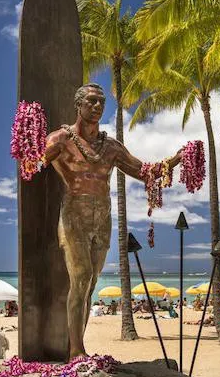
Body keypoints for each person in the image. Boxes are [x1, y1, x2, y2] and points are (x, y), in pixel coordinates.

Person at [42, 82, 185, 358]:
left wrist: (176, 160)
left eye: (101, 103)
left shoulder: (111, 147)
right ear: (79, 105)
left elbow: (145, 171)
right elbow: (34, 163)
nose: (97, 107)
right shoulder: (61, 139)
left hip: (103, 217)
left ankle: (78, 346)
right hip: (74, 214)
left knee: (91, 283)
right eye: (92, 101)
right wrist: (29, 137)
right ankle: (75, 350)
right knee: (81, 278)